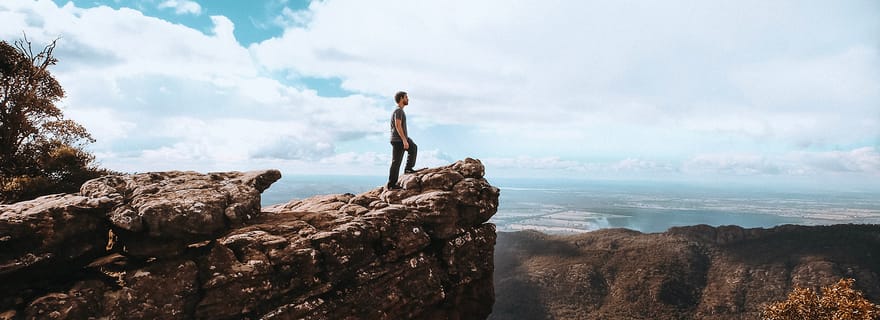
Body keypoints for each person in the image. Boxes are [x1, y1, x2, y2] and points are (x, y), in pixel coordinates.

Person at [387, 91, 420, 189]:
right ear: (401, 98)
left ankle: (407, 169)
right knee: (397, 161)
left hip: (398, 139)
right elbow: (398, 125)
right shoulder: (398, 111)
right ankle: (392, 184)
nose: (408, 99)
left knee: (411, 149)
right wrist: (404, 140)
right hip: (398, 139)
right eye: (406, 97)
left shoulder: (399, 110)